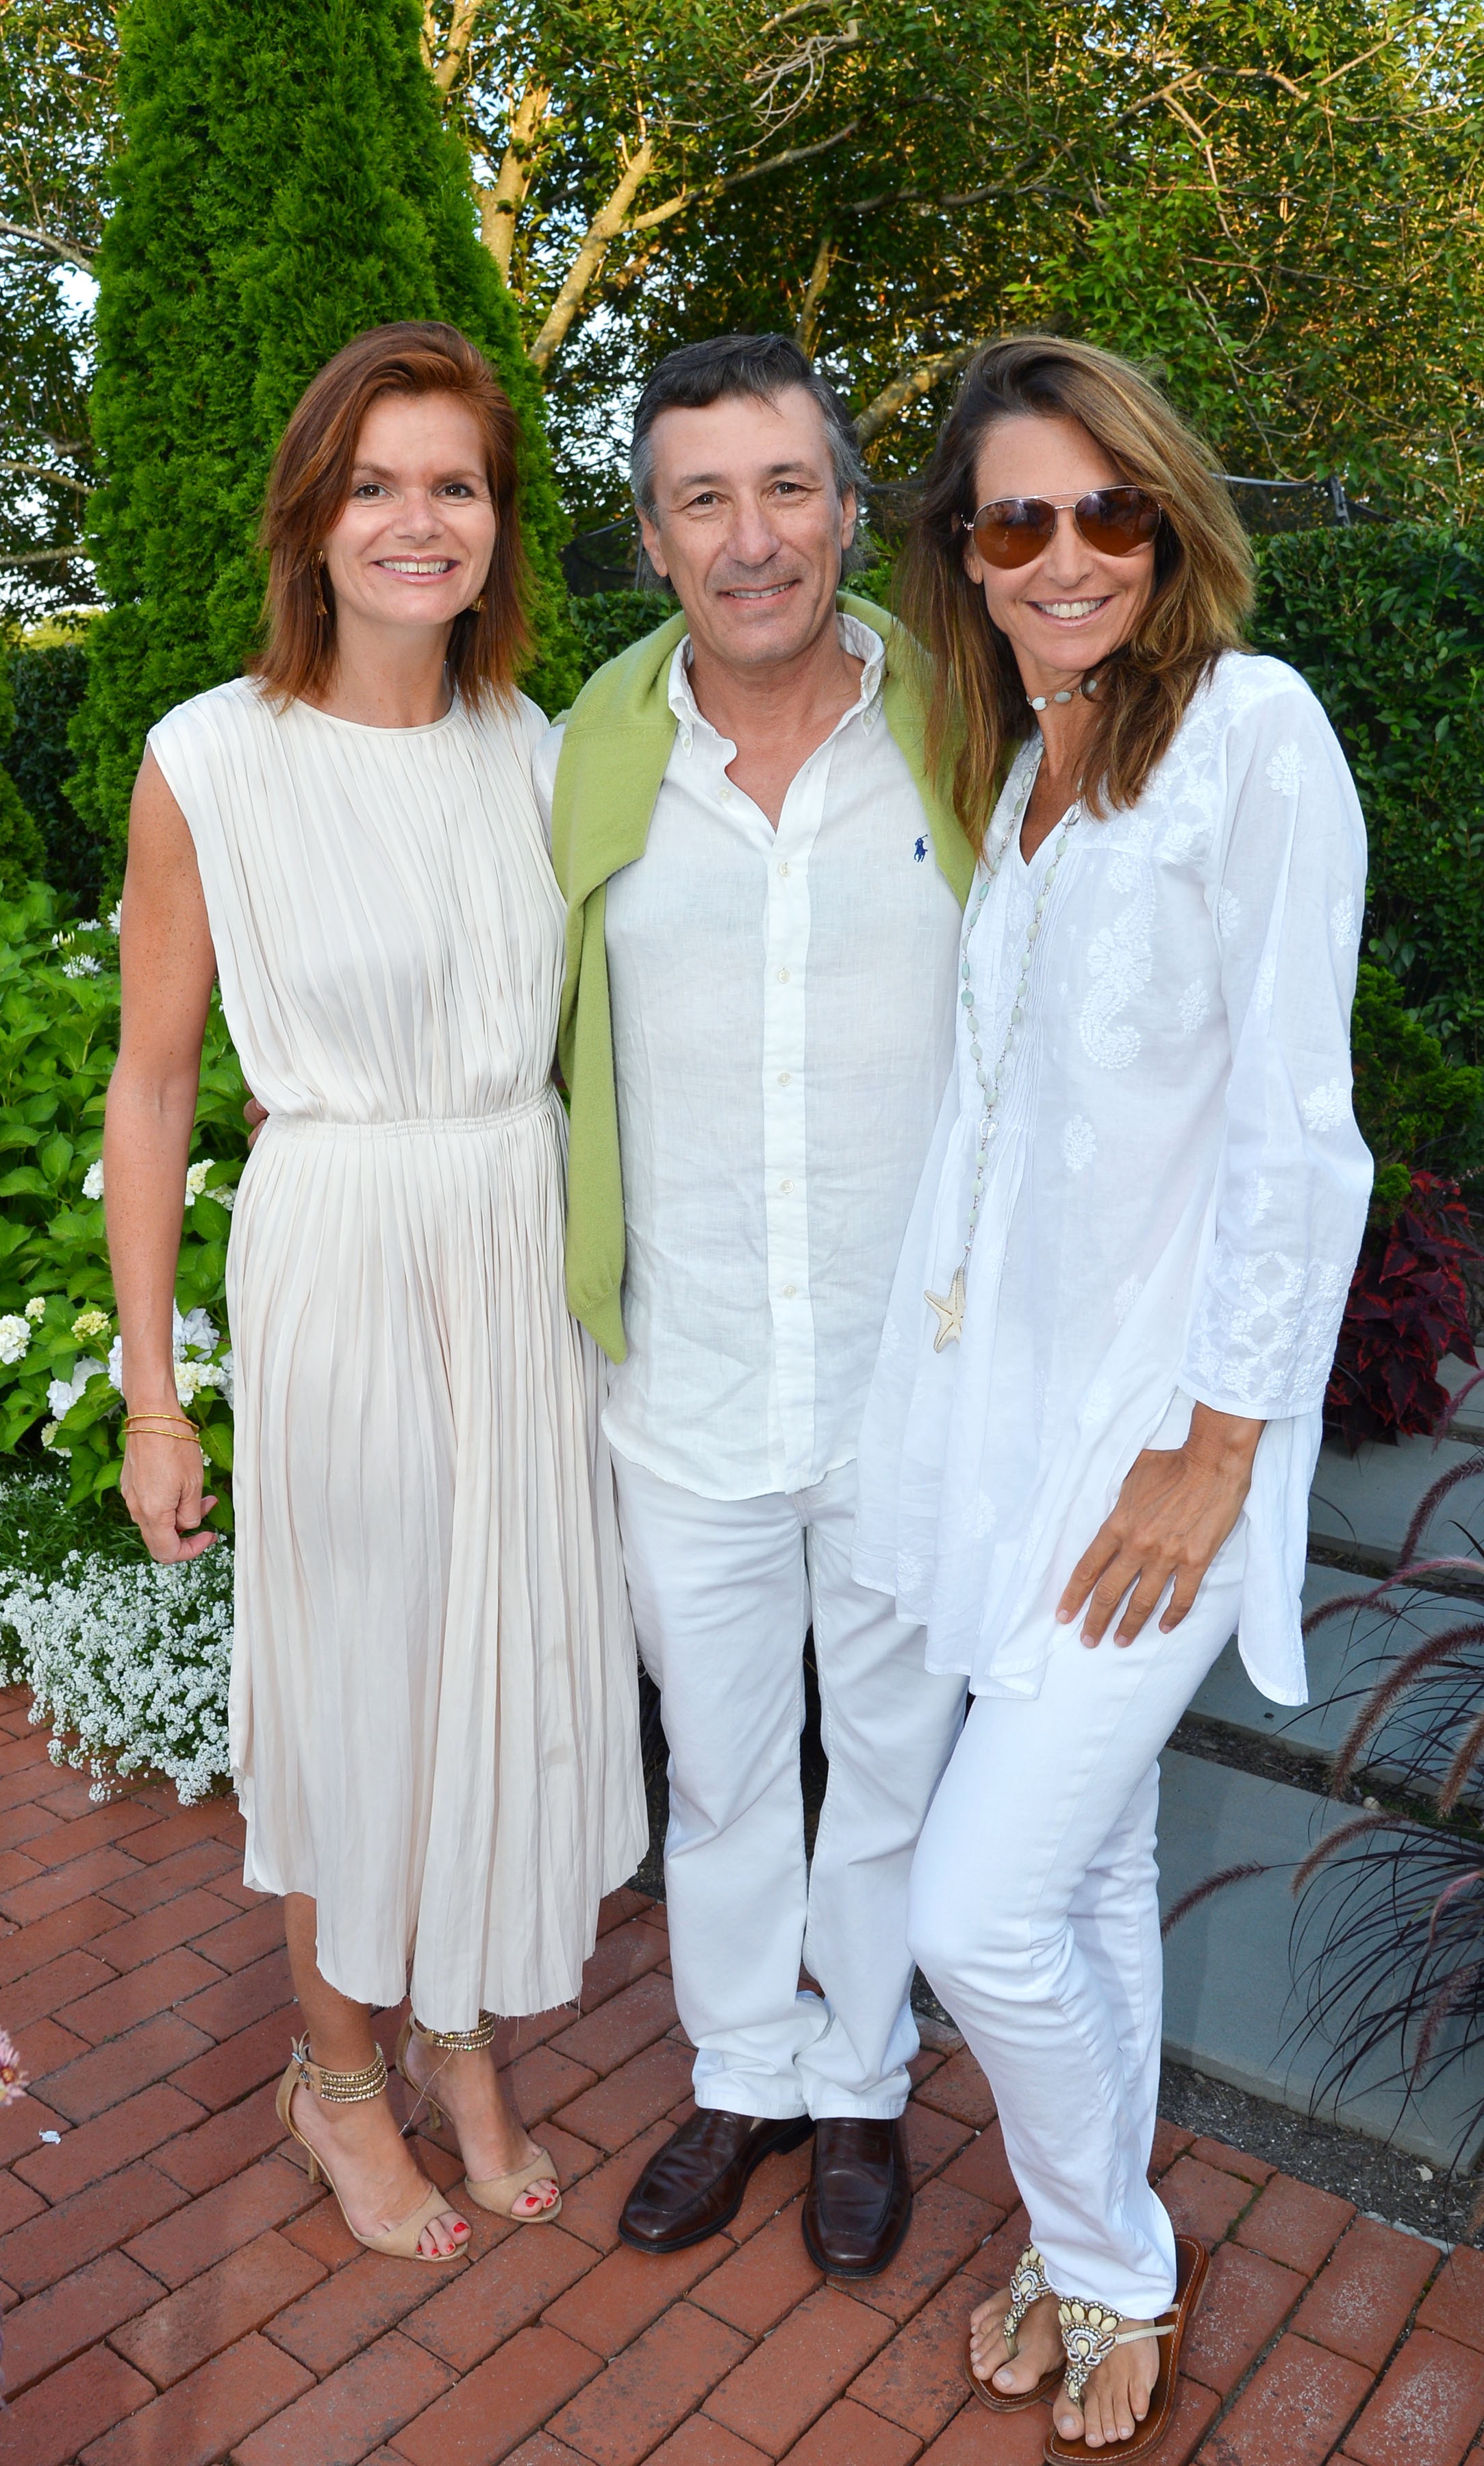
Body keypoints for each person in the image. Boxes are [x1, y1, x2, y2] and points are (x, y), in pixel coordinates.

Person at [853, 337, 1371, 2454]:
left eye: (1109, 512)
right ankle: (1098, 2243)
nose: (1067, 556)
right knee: (1066, 1879)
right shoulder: (1037, 780)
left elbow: (1297, 1134)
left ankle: (1105, 2258)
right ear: (967, 561)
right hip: (1009, 1422)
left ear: (1172, 524)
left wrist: (1224, 1443)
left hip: (1164, 1439)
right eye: (1016, 522)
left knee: (969, 1908)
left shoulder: (1255, 737)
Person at [106, 321, 645, 2267]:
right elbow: (157, 1083)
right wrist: (156, 1397)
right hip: (340, 1249)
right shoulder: (211, 763)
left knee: (498, 1660)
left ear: (501, 527)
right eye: (379, 484)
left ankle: (461, 2035)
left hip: (512, 1257)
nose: (419, 520)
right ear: (312, 520)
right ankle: (336, 2075)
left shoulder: (548, 752)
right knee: (359, 1681)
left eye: (459, 484)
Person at [538, 334, 976, 2275]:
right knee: (721, 1776)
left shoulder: (971, 732)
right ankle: (743, 2078)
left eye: (785, 487)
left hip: (916, 1382)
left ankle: (862, 2092)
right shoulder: (591, 755)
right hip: (691, 1375)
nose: (750, 536)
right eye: (703, 498)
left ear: (853, 508)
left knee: (890, 1766)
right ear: (652, 541)